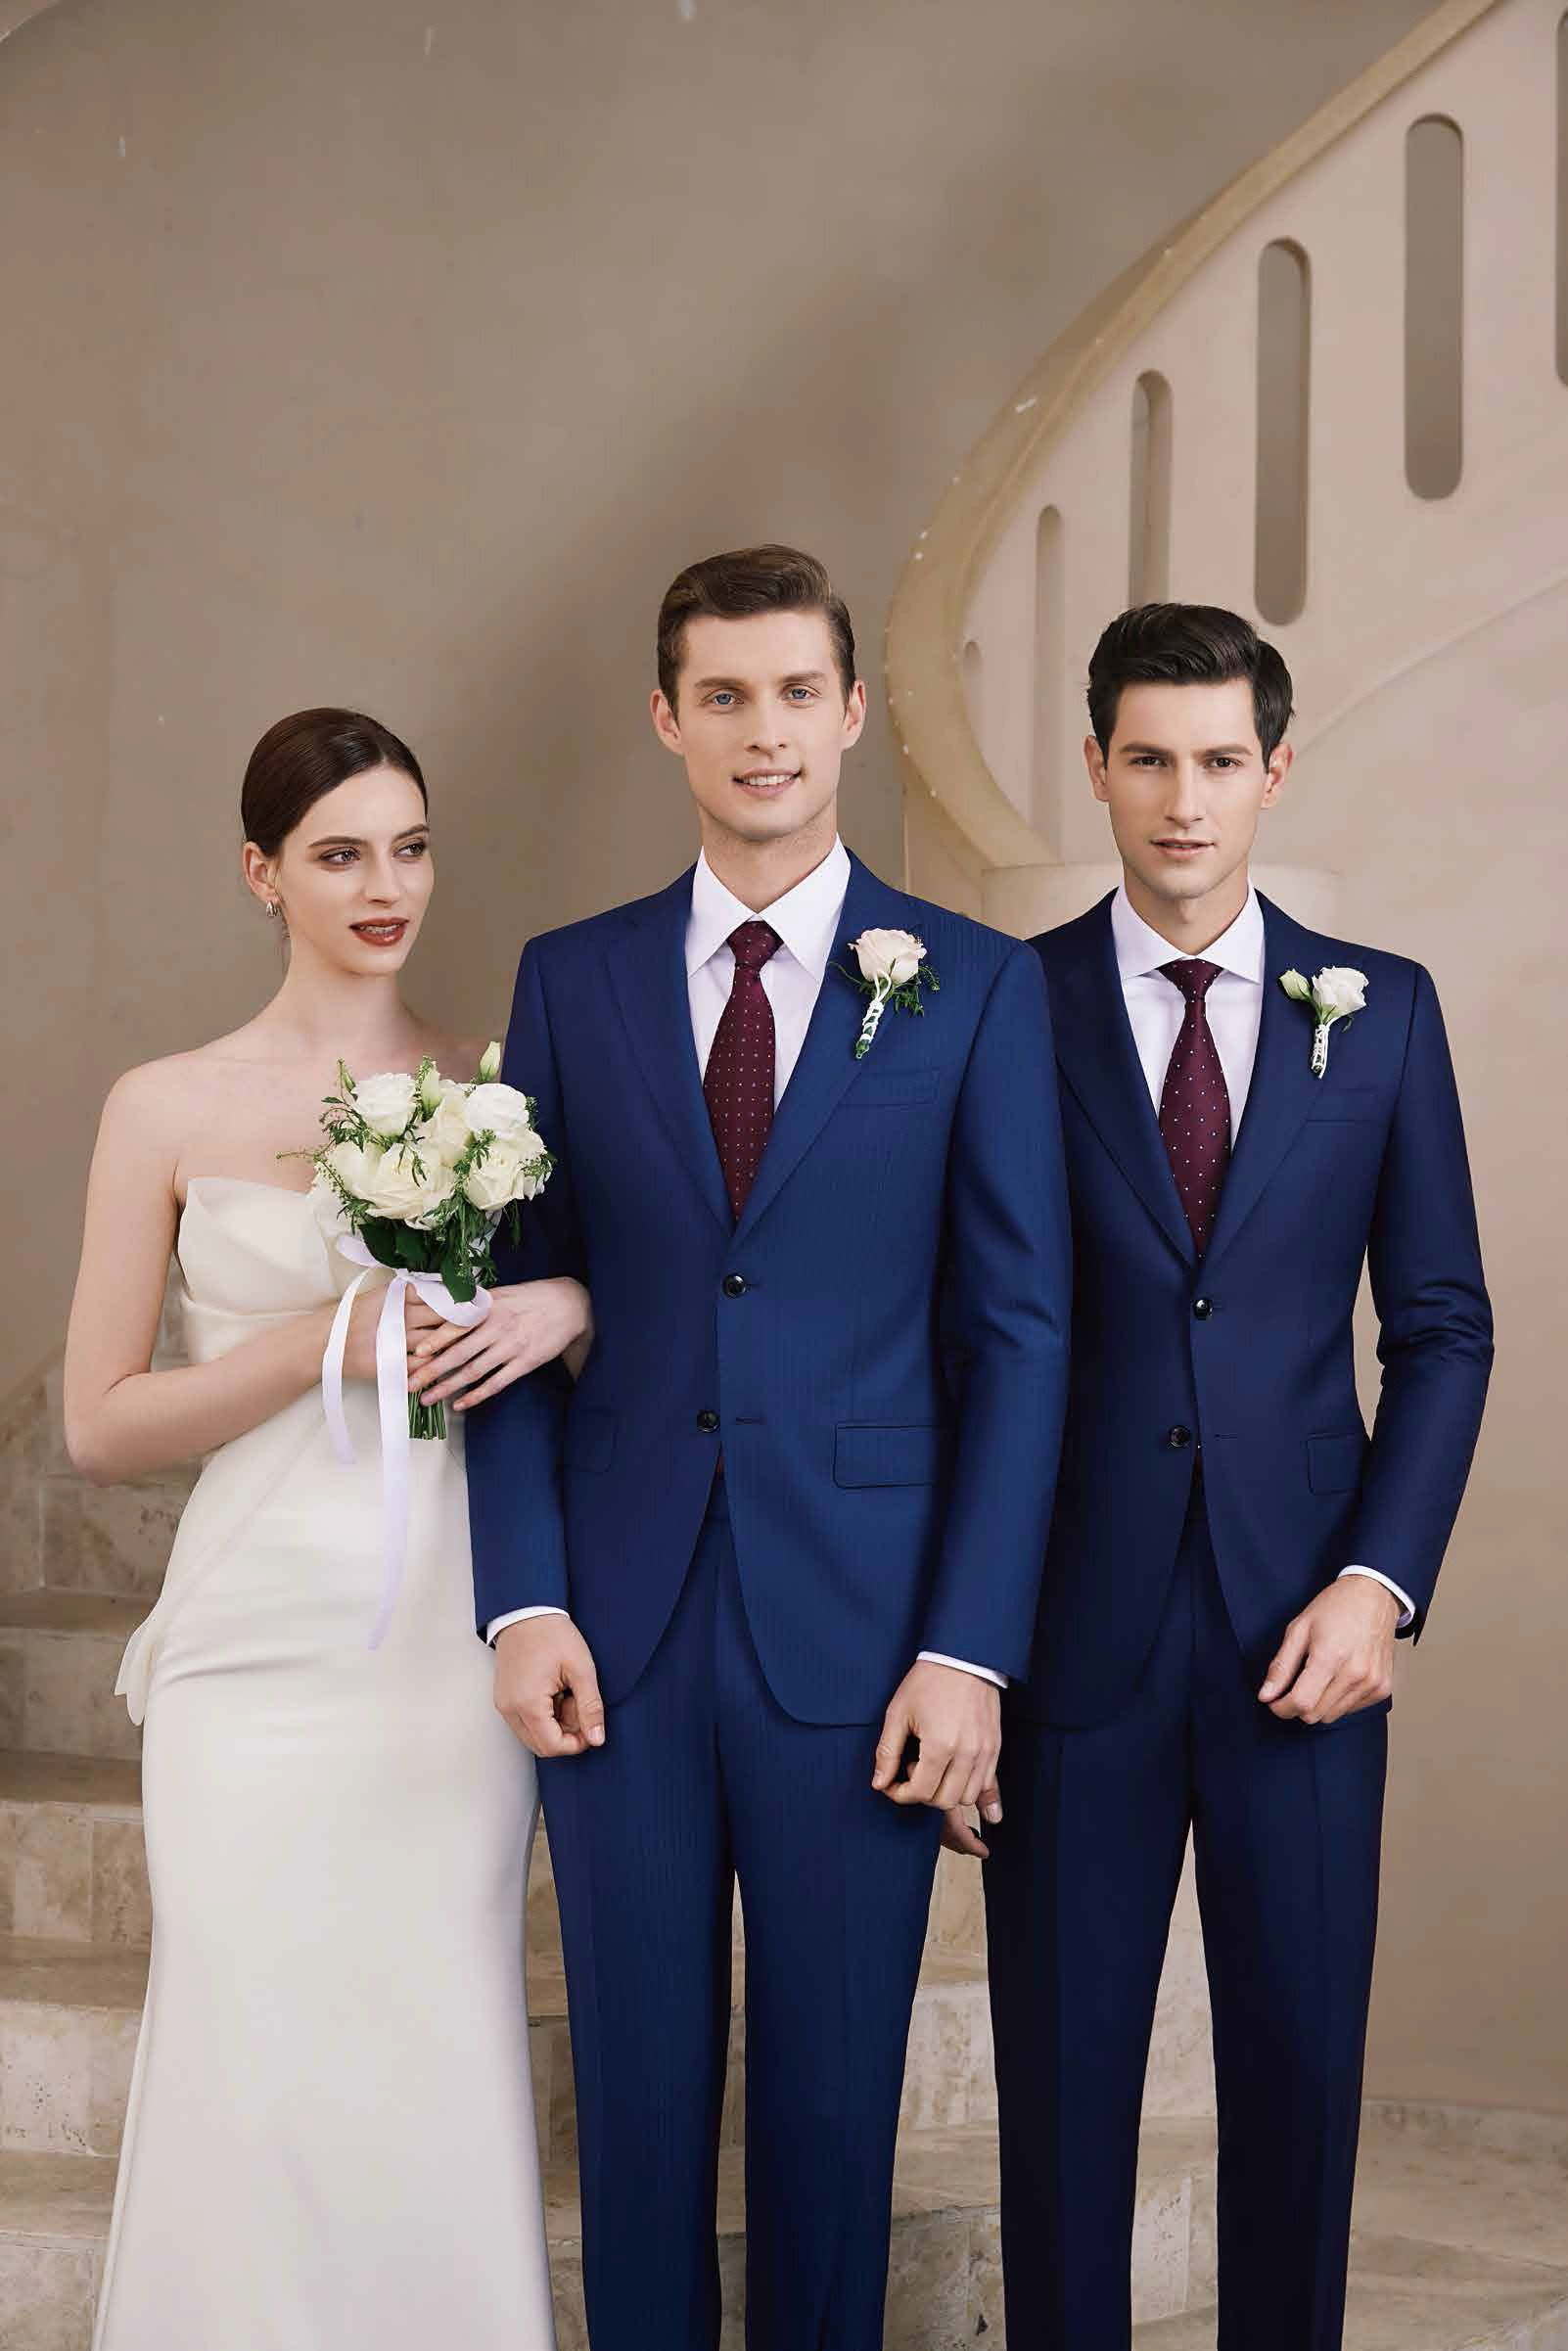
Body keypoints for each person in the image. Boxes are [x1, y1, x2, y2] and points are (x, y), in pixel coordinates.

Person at [447, 546, 1072, 2350]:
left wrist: (967, 1650)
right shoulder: (571, 980)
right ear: (666, 719)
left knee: (824, 2119)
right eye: (722, 694)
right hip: (618, 1632)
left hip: (866, 1637)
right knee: (639, 2119)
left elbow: (1019, 1335)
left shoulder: (968, 985)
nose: (764, 731)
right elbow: (516, 1303)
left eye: (798, 691)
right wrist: (522, 1602)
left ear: (854, 711)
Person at [984, 604, 1494, 2351]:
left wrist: (1381, 1579)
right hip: (1068, 1635)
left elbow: (1441, 1327)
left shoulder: (1388, 1012)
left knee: (1298, 2086)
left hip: (1307, 1635)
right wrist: (963, 1640)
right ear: (1095, 769)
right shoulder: (1003, 1006)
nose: (1182, 801)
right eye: (1147, 760)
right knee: (1059, 2102)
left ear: (1273, 769)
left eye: (1217, 761)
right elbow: (949, 1329)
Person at [67, 709, 582, 2350]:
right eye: (341, 853)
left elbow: (624, 1335)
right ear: (262, 873)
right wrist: (319, 1336)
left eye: (409, 846)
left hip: (445, 1639)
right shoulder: (160, 1104)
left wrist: (561, 1299)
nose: (386, 884)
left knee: (429, 2035)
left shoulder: (494, 1089)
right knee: (252, 2052)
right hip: (250, 1649)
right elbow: (96, 1424)